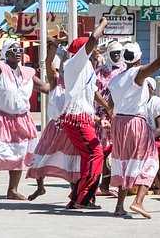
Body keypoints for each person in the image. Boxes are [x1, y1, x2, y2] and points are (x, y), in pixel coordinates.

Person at [108, 22, 160, 219]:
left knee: (124, 163)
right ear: (139, 58)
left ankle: (119, 205)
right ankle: (138, 202)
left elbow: (110, 102)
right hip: (135, 122)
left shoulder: (115, 78)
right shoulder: (137, 73)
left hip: (118, 123)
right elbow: (159, 63)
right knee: (149, 161)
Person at [0, 30, 49, 202]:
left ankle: (12, 190)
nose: (19, 51)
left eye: (20, 49)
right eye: (14, 49)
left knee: (19, 153)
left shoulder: (27, 72)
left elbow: (45, 88)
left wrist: (59, 74)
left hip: (21, 119)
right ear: (6, 53)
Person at [59, 18, 108, 210]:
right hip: (77, 117)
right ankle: (83, 198)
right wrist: (103, 23)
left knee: (91, 156)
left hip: (82, 117)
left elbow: (93, 92)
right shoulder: (75, 63)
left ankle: (79, 197)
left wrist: (108, 109)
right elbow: (93, 39)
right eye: (92, 50)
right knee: (95, 154)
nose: (96, 52)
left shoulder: (86, 67)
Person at [26, 43, 81, 201]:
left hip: (70, 126)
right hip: (54, 126)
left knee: (70, 161)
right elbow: (49, 64)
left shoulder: (77, 83)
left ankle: (74, 194)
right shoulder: (56, 81)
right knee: (41, 156)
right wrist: (52, 49)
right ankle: (40, 187)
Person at [94, 40, 126, 196]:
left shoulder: (126, 70)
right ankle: (102, 183)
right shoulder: (100, 71)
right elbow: (95, 92)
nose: (116, 56)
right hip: (103, 115)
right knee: (102, 149)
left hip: (120, 114)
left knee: (116, 150)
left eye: (118, 53)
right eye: (113, 53)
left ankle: (114, 183)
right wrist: (104, 109)